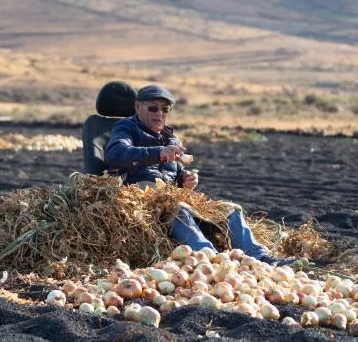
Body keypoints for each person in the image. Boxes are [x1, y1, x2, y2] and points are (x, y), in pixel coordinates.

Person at [105, 84, 301, 267]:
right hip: (146, 203)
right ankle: (210, 262)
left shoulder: (170, 137)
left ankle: (261, 259)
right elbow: (115, 154)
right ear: (138, 106)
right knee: (179, 210)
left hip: (172, 198)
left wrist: (184, 178)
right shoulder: (126, 127)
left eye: (165, 110)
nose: (160, 114)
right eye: (153, 108)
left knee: (229, 210)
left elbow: (173, 173)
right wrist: (158, 152)